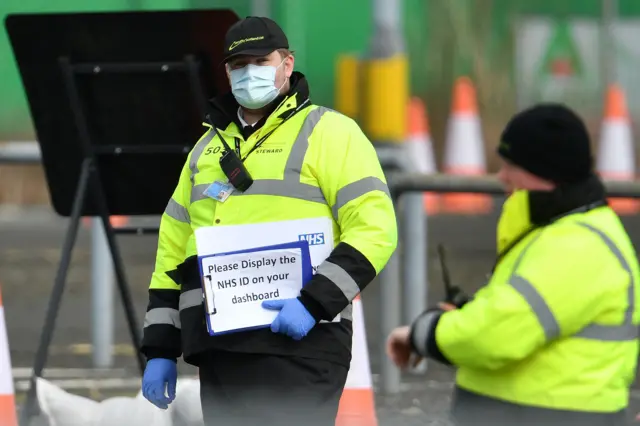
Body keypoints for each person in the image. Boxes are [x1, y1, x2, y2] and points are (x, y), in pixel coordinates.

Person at [140, 15, 398, 426]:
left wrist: (313, 304)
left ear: (287, 63)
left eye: (261, 62)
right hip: (220, 345)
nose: (248, 73)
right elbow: (173, 250)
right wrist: (160, 348)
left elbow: (375, 229)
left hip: (303, 339)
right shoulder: (206, 150)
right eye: (238, 65)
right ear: (226, 72)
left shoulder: (330, 133)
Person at [386, 103, 640, 426]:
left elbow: (497, 333)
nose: (502, 177)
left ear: (543, 173)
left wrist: (423, 333)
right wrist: (464, 318)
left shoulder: (577, 245)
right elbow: (510, 315)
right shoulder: (558, 233)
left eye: (511, 166)